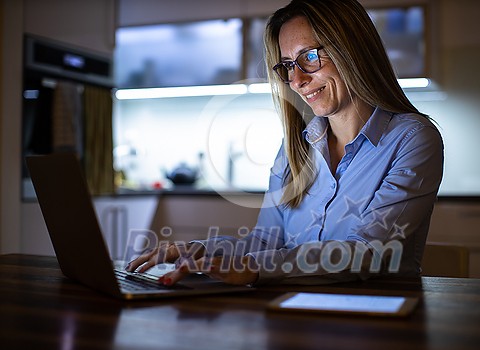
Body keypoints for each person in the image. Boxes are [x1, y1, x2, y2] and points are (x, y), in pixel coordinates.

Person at [126, 0, 444, 286]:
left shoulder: (413, 139)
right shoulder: (295, 146)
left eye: (309, 57)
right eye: (288, 66)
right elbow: (267, 243)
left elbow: (367, 253)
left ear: (352, 50)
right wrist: (201, 251)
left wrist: (252, 266)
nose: (296, 80)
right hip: (294, 317)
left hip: (383, 321)